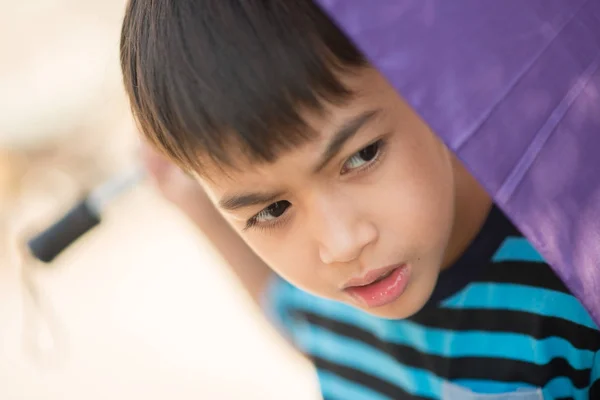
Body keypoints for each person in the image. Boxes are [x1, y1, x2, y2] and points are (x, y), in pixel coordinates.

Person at [121, 1, 600, 399]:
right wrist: (194, 208)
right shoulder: (337, 299)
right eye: (271, 211)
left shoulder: (572, 293)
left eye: (362, 156)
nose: (342, 244)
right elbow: (307, 328)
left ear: (433, 81)